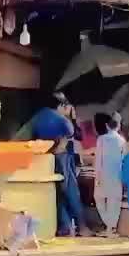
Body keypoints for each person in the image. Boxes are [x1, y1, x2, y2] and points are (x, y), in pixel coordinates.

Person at [29, 94, 90, 238]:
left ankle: (65, 227)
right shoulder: (62, 120)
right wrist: (72, 118)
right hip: (63, 157)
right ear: (61, 105)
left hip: (45, 158)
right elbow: (75, 134)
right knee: (71, 192)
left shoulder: (38, 116)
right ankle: (82, 228)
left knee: (56, 194)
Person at [93, 112, 125, 237]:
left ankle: (108, 227)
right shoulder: (122, 140)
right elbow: (124, 160)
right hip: (117, 175)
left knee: (99, 199)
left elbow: (98, 159)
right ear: (119, 126)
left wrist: (97, 176)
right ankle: (111, 228)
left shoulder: (101, 139)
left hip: (103, 174)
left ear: (107, 125)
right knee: (114, 202)